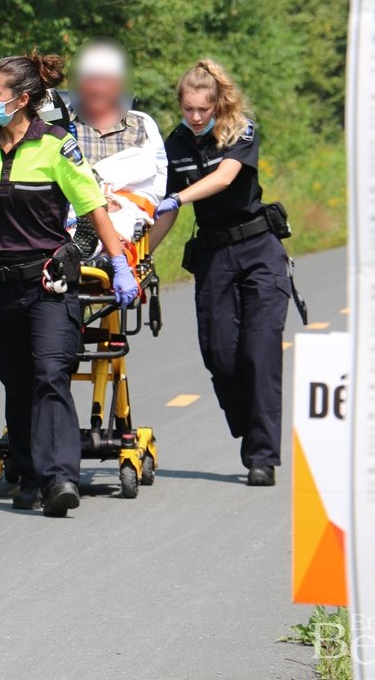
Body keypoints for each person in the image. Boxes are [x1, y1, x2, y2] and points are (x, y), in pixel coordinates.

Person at [0, 51, 139, 517]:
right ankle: (30, 472)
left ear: (21, 100)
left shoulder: (58, 146)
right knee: (16, 382)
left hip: (50, 283)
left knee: (50, 376)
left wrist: (115, 263)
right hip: (2, 286)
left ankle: (61, 478)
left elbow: (91, 209)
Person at [149, 59, 289, 487]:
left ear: (218, 105)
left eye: (202, 110)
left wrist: (178, 197)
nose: (194, 117)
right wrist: (140, 258)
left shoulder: (240, 130)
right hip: (214, 256)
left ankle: (261, 455)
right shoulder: (175, 143)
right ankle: (252, 429)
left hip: (258, 250)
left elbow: (225, 178)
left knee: (259, 353)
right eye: (188, 109)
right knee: (221, 356)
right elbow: (165, 212)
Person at [70, 39, 167, 247]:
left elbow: (154, 188)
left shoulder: (142, 126)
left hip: (126, 219)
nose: (97, 87)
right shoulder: (60, 126)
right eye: (91, 79)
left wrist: (120, 202)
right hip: (72, 216)